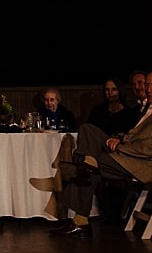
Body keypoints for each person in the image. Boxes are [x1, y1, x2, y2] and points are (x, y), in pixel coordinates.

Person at [46, 101, 152, 236]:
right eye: (147, 84)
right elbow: (135, 136)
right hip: (126, 149)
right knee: (87, 129)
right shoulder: (144, 110)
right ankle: (86, 165)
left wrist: (121, 144)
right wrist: (119, 138)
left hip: (140, 162)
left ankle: (80, 219)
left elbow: (147, 148)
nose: (147, 89)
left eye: (149, 85)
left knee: (92, 162)